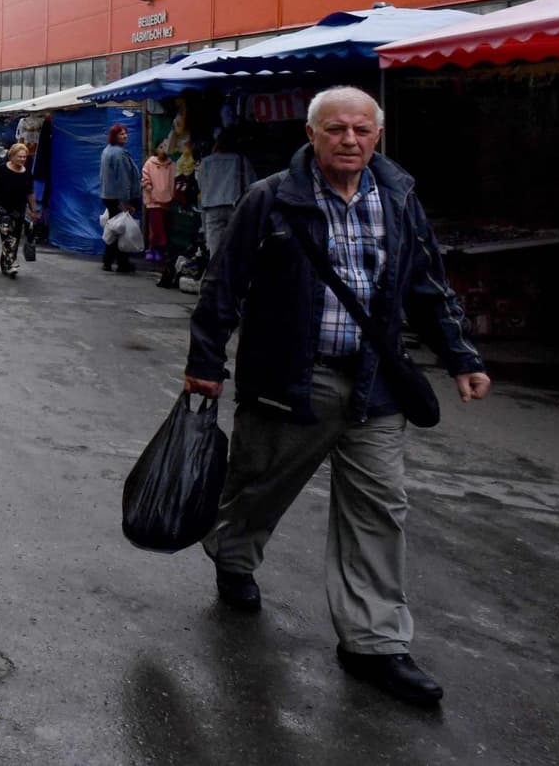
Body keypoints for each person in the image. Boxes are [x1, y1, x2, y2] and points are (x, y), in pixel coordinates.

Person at [185, 87, 489, 707]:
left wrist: (461, 356)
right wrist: (205, 362)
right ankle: (235, 554)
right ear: (312, 134)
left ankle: (374, 644)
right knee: (258, 484)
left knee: (380, 509)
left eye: (361, 129)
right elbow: (225, 283)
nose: (349, 140)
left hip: (376, 384)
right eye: (336, 130)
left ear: (377, 136)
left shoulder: (399, 198)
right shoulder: (271, 198)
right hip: (292, 377)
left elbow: (426, 283)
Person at [195, 130, 258, 258]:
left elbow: (201, 184)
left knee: (215, 251)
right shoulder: (240, 160)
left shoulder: (206, 162)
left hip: (212, 209)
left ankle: (217, 275)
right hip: (235, 207)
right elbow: (252, 184)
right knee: (237, 248)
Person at [0, 142, 38, 277]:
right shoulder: (1, 170)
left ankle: (5, 264)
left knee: (15, 238)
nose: (22, 160)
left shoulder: (27, 174)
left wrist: (34, 210)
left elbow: (30, 193)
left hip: (18, 211)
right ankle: (11, 263)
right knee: (7, 236)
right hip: (1, 210)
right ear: (12, 156)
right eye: (20, 157)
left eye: (24, 157)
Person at [141, 143, 175, 263]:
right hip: (153, 200)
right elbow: (145, 179)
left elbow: (173, 181)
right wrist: (151, 189)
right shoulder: (150, 163)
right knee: (155, 227)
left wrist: (171, 195)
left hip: (167, 200)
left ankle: (159, 250)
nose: (163, 149)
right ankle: (151, 249)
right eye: (161, 147)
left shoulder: (171, 165)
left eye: (165, 147)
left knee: (164, 226)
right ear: (156, 149)